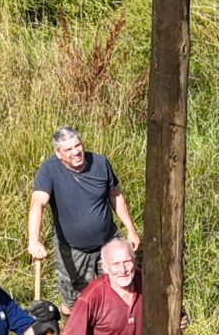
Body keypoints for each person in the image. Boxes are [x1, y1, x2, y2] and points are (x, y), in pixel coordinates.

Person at [28, 127, 139, 310]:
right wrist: (34, 241)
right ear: (58, 153)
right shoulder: (49, 170)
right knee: (75, 301)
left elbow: (116, 196)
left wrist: (131, 230)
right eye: (69, 149)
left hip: (108, 241)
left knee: (121, 288)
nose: (76, 152)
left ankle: (117, 332)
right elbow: (37, 203)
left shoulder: (100, 163)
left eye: (78, 145)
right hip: (73, 249)